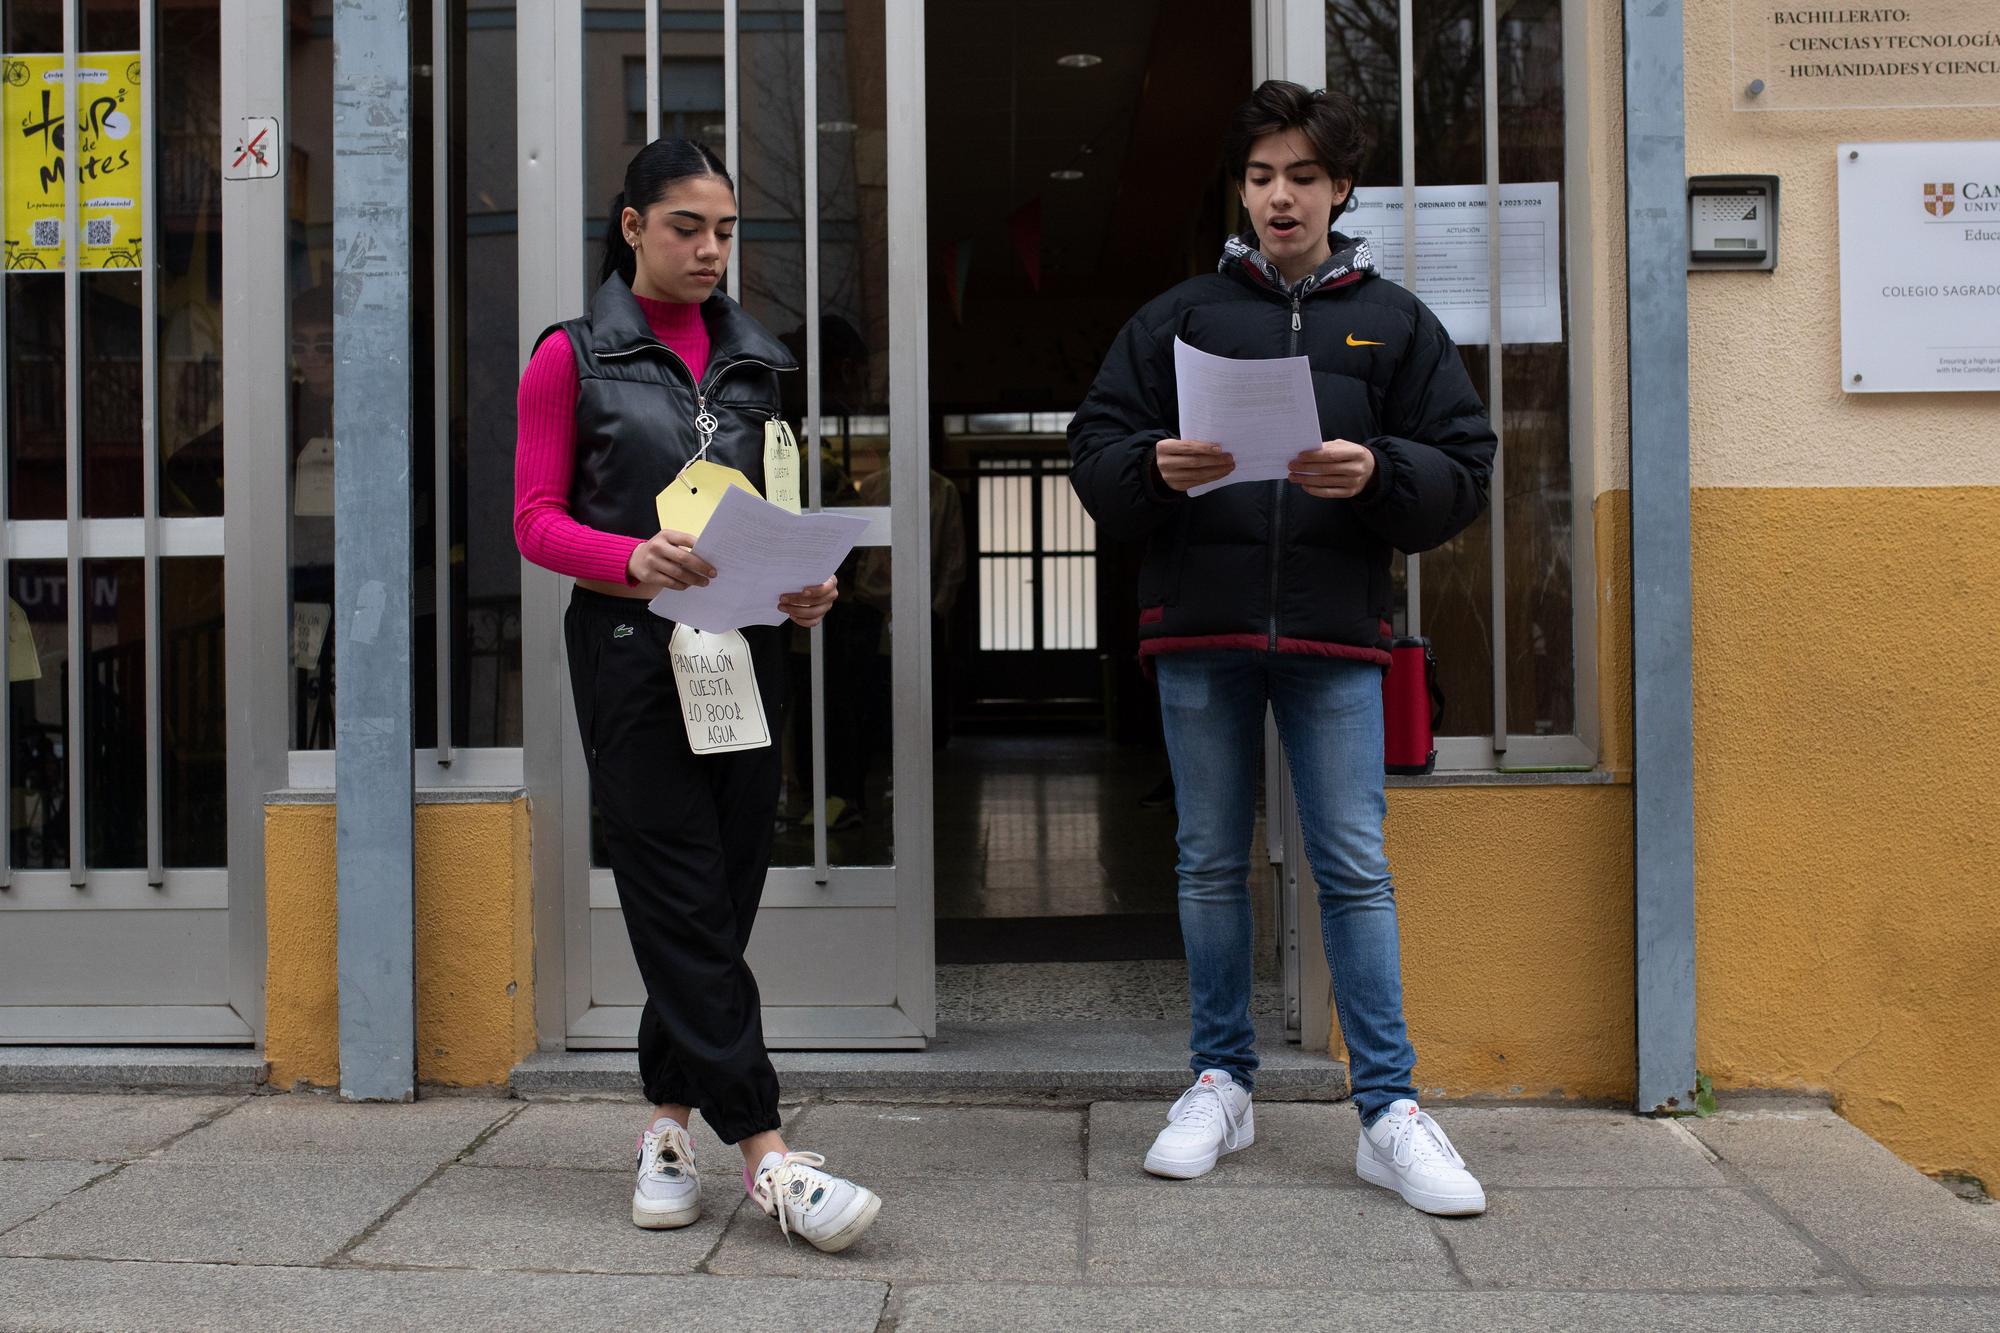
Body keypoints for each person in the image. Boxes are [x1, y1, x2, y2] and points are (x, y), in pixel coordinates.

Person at [1067, 81, 1497, 1216]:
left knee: (1351, 868)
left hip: (1332, 632)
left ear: (1340, 187)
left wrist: (1381, 474)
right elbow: (1094, 453)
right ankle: (1220, 1079)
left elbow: (1463, 467)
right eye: (1260, 177)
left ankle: (1387, 1110)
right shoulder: (1178, 316)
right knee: (1208, 863)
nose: (1279, 197)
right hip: (1200, 629)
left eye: (1302, 176)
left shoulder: (1395, 322)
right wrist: (1151, 465)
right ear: (1240, 190)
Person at [514, 138, 882, 1251]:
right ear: (630, 226)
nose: (710, 248)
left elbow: (771, 512)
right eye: (686, 226)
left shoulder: (757, 366)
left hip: (743, 659)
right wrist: (628, 557)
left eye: (725, 230)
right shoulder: (569, 358)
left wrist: (807, 589)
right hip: (630, 654)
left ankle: (663, 1129)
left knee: (717, 899)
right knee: (675, 891)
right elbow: (532, 518)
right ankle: (766, 1153)